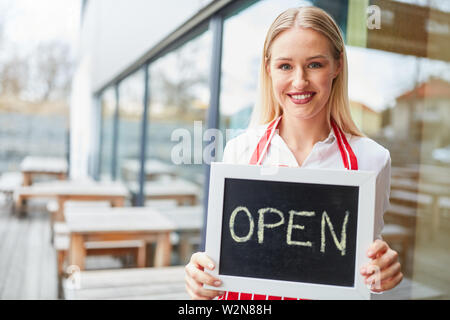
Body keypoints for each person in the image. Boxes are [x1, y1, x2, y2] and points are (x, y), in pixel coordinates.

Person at [185, 6, 403, 300]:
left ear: (337, 65)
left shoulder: (372, 159)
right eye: (285, 66)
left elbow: (365, 266)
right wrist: (201, 280)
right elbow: (221, 263)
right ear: (268, 69)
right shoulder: (240, 151)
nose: (299, 81)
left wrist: (381, 272)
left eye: (315, 64)